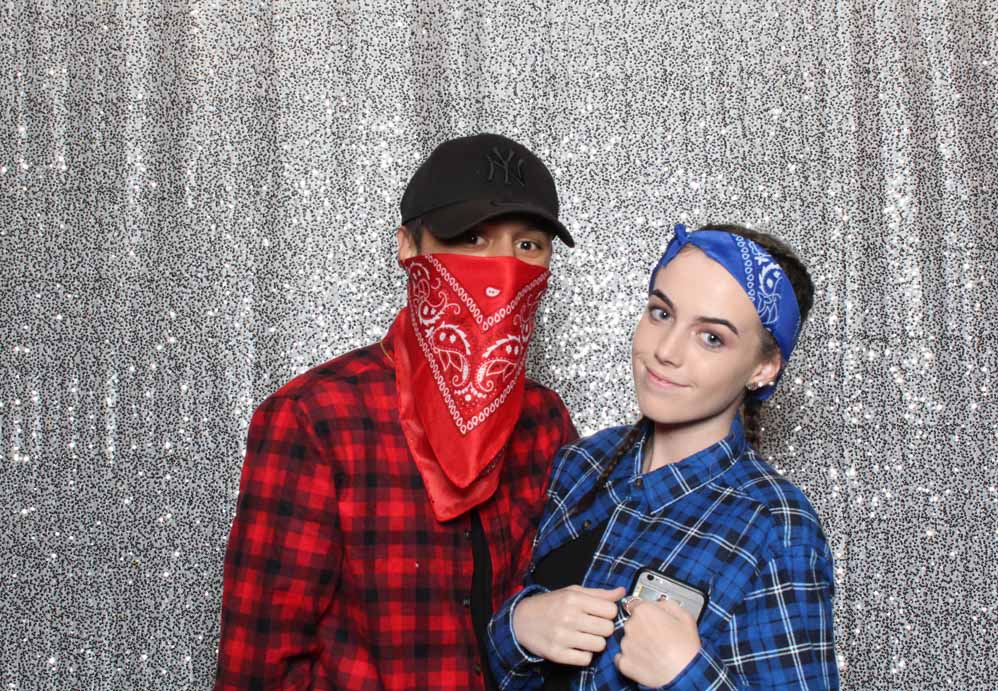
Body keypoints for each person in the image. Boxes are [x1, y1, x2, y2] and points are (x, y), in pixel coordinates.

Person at [213, 133, 579, 691]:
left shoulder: (545, 421)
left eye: (528, 245)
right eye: (472, 238)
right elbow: (259, 665)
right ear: (409, 246)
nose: (503, 268)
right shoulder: (317, 418)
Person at [487, 223, 838, 690]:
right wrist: (518, 627)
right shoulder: (578, 465)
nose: (666, 351)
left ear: (763, 367)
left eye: (711, 337)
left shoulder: (775, 528)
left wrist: (686, 674)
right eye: (661, 313)